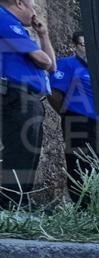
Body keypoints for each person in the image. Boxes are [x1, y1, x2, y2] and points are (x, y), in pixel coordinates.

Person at [0, 0, 54, 209]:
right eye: (33, 8)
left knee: (29, 151)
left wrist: (43, 35)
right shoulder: (5, 19)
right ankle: (11, 202)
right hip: (16, 95)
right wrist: (41, 55)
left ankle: (21, 200)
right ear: (19, 3)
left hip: (29, 98)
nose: (35, 15)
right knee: (19, 150)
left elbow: (51, 65)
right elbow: (43, 61)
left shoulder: (19, 29)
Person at [50, 31, 99, 205]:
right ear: (75, 46)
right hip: (78, 121)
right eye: (85, 45)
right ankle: (82, 207)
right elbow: (55, 93)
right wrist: (68, 113)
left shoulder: (98, 72)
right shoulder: (68, 65)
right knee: (80, 163)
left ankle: (98, 205)